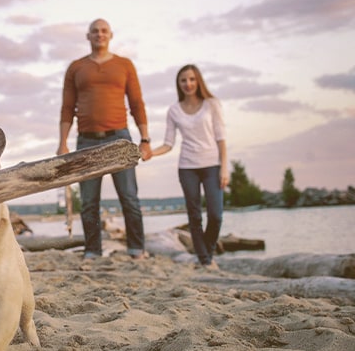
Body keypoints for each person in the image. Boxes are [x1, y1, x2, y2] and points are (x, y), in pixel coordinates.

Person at [57, 18, 152, 260]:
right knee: (89, 201)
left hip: (119, 139)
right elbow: (68, 107)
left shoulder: (125, 65)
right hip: (86, 140)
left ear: (111, 35)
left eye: (103, 31)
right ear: (88, 37)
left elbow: (137, 103)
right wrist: (63, 142)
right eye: (94, 31)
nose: (99, 34)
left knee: (129, 196)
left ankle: (137, 249)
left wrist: (145, 139)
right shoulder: (76, 67)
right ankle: (92, 250)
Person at [151, 64, 228, 268]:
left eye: (192, 79)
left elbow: (221, 138)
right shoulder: (174, 110)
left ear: (198, 81)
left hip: (212, 165)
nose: (188, 84)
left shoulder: (212, 104)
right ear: (178, 84)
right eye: (183, 80)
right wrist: (151, 153)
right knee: (194, 215)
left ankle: (207, 251)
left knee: (215, 215)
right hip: (187, 168)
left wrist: (224, 167)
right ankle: (205, 260)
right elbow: (168, 143)